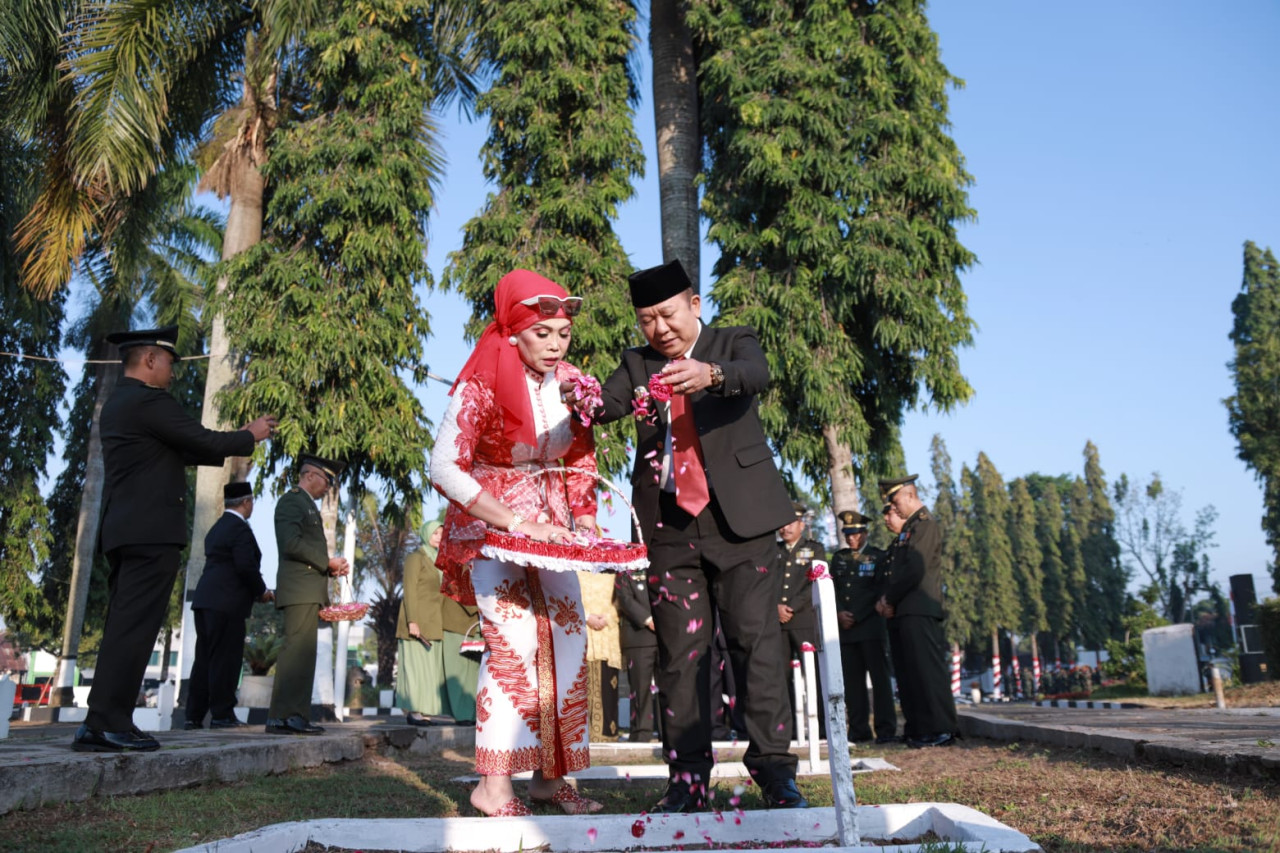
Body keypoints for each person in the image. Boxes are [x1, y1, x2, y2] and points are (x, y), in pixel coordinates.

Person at [592, 259, 804, 812]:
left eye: (667, 314)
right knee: (679, 656)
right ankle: (687, 779)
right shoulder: (636, 364)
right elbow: (606, 406)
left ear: (695, 304)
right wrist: (575, 391)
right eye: (646, 320)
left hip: (743, 524)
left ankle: (776, 773)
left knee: (755, 646)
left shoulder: (732, 342)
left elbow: (757, 374)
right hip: (670, 527)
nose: (658, 329)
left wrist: (710, 374)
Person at [430, 269, 602, 818]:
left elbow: (578, 456)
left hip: (556, 532)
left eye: (563, 334)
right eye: (542, 333)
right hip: (494, 531)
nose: (555, 345)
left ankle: (552, 780)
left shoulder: (572, 382)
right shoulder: (481, 381)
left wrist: (588, 519)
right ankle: (494, 783)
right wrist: (512, 522)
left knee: (567, 640)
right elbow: (443, 466)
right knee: (513, 643)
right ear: (513, 330)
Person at [72, 326, 275, 753]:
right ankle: (109, 722)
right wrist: (250, 435)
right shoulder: (148, 401)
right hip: (150, 533)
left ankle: (104, 720)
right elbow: (198, 438)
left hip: (126, 530)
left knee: (124, 627)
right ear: (149, 359)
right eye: (168, 361)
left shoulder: (122, 404)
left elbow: (190, 449)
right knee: (134, 628)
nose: (172, 371)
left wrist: (237, 437)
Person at [266, 454, 351, 735]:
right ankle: (285, 715)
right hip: (299, 588)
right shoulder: (293, 501)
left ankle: (293, 714)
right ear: (310, 475)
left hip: (307, 588)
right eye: (325, 481)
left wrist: (328, 567)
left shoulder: (306, 505)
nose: (327, 488)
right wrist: (326, 561)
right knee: (296, 653)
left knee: (303, 654)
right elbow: (290, 543)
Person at [876, 475, 958, 748]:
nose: (894, 508)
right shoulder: (909, 529)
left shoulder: (925, 525)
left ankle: (942, 727)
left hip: (920, 608)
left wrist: (889, 597)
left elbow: (914, 569)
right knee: (910, 673)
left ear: (910, 494)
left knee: (927, 671)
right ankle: (920, 728)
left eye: (896, 500)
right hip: (903, 609)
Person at [185, 482, 272, 730]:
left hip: (205, 600)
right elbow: (245, 566)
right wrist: (262, 591)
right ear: (246, 502)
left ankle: (193, 716)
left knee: (204, 659)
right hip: (227, 603)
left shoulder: (217, 528)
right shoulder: (240, 530)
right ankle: (222, 714)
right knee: (226, 659)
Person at [828, 510, 896, 744]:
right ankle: (858, 730)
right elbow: (832, 589)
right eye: (847, 534)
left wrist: (857, 614)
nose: (851, 538)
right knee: (853, 684)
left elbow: (879, 590)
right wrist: (838, 612)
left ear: (865, 533)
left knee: (880, 681)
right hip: (846, 630)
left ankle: (885, 730)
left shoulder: (878, 557)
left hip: (870, 627)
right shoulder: (839, 558)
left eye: (855, 533)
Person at [775, 502, 827, 738]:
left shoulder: (814, 549)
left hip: (803, 621)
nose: (784, 528)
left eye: (789, 523)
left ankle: (824, 728)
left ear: (802, 524)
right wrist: (775, 607)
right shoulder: (771, 550)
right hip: (777, 622)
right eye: (781, 524)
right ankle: (788, 731)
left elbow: (815, 581)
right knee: (780, 678)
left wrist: (792, 606)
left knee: (814, 676)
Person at [395, 521, 448, 726]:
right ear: (426, 534)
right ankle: (413, 711)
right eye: (435, 533)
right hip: (415, 622)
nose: (438, 537)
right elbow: (409, 590)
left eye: (441, 534)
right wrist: (412, 621)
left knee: (429, 671)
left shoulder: (439, 560)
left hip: (433, 622)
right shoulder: (415, 558)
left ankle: (424, 711)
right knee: (416, 669)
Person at [614, 566, 660, 742]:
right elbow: (625, 599)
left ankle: (667, 732)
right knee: (640, 688)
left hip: (664, 635)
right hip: (638, 638)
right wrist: (648, 620)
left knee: (667, 686)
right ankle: (641, 732)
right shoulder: (625, 571)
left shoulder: (659, 565)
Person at [579, 570, 621, 741]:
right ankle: (583, 735)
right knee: (582, 686)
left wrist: (608, 617)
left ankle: (607, 734)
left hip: (607, 637)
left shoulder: (614, 574)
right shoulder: (574, 572)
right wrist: (587, 616)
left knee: (608, 684)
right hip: (582, 634)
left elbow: (621, 601)